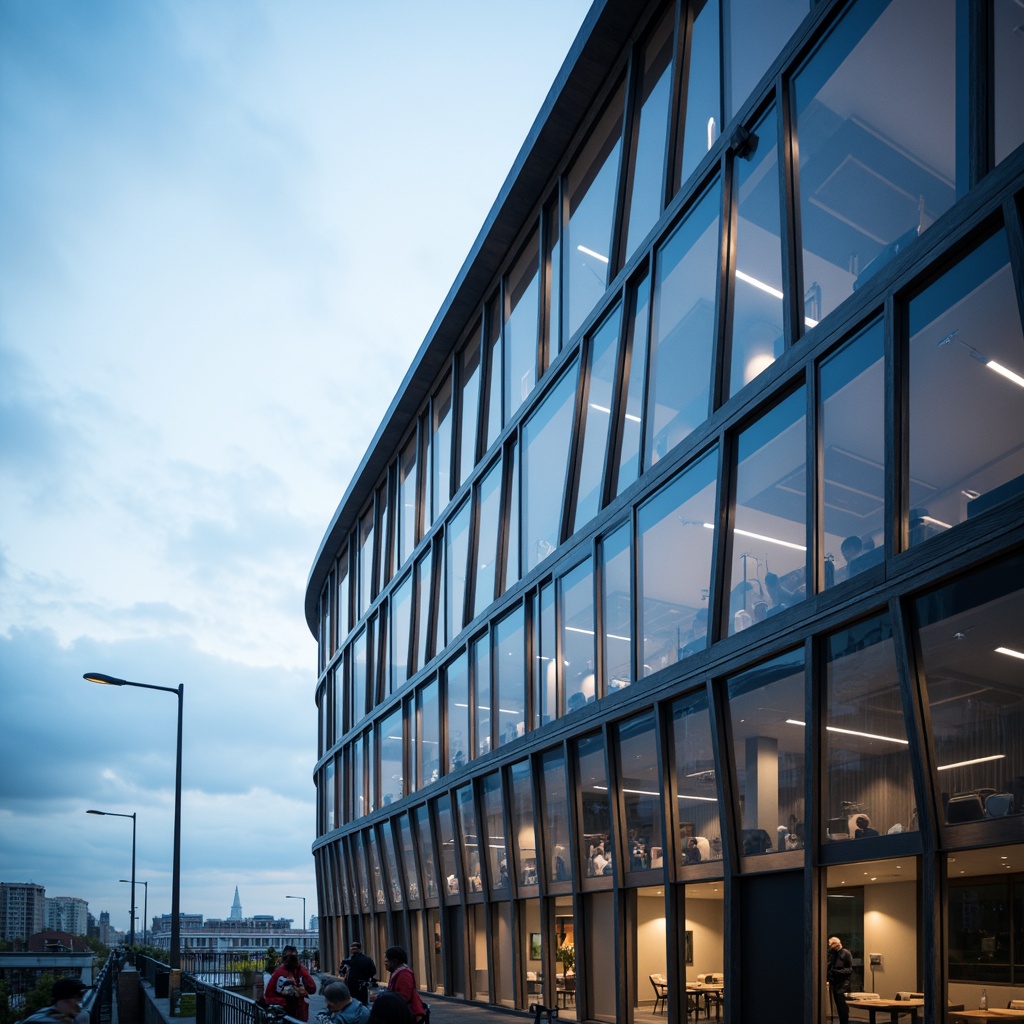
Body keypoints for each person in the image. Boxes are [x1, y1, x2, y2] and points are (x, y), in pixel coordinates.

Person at [265, 946, 317, 1022]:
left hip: (297, 1012)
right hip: (288, 1013)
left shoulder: (299, 970)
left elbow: (312, 988)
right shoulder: (280, 972)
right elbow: (268, 995)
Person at [382, 946, 426, 1023]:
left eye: (386, 961)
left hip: (406, 1014)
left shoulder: (404, 974)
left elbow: (403, 996)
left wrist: (384, 998)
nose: (385, 964)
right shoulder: (397, 972)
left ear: (394, 962)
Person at [18, 977, 90, 1024]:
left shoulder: (47, 1012)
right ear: (66, 1000)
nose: (79, 1006)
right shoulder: (44, 1020)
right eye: (77, 999)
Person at [340, 941, 377, 1006]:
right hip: (362, 985)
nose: (353, 950)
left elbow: (341, 972)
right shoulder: (367, 959)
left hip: (351, 986)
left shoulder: (347, 961)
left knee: (352, 1004)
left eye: (354, 948)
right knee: (362, 1003)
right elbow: (373, 971)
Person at [827, 936, 854, 1024]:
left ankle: (844, 1022)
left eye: (831, 944)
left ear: (837, 944)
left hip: (843, 984)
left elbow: (850, 970)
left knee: (842, 1007)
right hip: (834, 983)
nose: (830, 947)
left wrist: (837, 972)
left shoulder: (846, 953)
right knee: (838, 1006)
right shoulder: (833, 954)